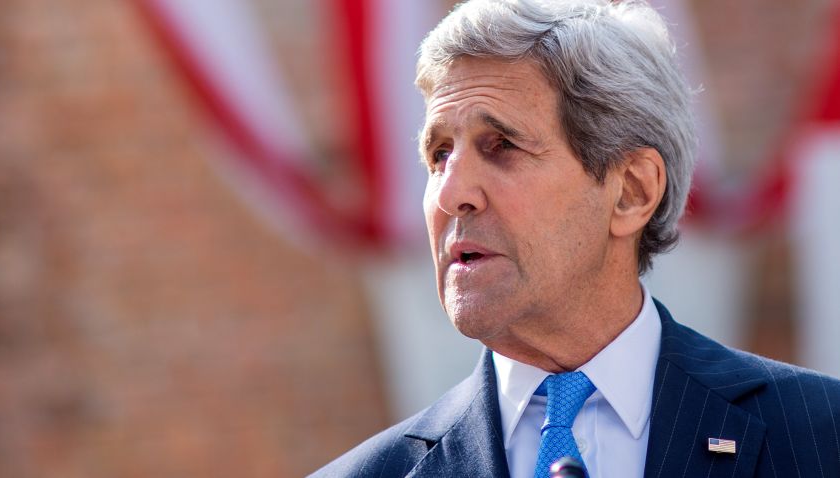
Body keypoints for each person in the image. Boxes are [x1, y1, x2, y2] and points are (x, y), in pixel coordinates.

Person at [312, 0, 840, 476]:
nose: (451, 193)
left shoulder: (822, 437)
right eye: (439, 154)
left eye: (500, 145)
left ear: (632, 191)